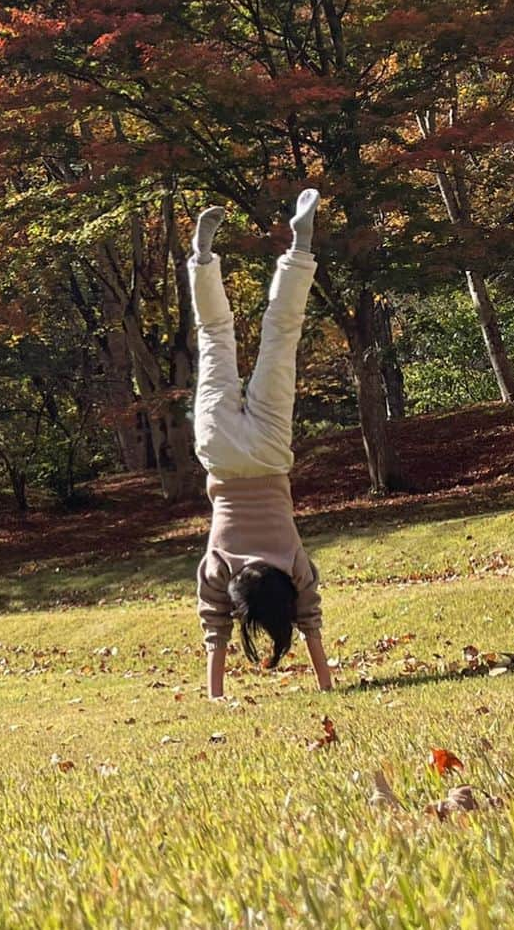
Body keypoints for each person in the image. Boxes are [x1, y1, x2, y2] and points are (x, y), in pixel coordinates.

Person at [190, 190, 332, 700]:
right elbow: (215, 627)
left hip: (270, 452)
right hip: (223, 454)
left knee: (282, 336)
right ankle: (202, 260)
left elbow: (312, 622)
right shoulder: (220, 564)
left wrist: (326, 683)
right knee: (214, 336)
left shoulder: (292, 562)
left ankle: (300, 247)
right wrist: (215, 695)